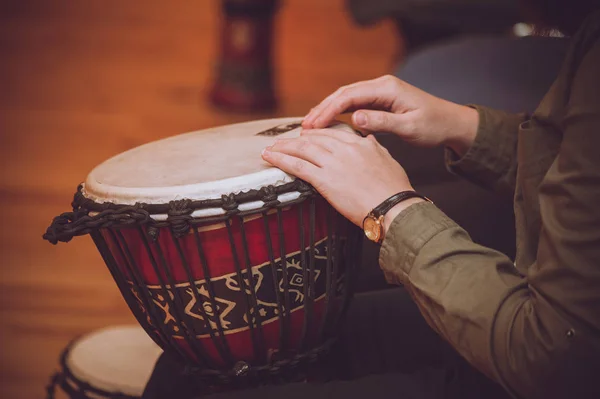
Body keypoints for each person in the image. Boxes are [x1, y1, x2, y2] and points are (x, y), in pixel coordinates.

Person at [143, 2, 600, 398]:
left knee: (198, 383)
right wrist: (464, 126)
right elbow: (579, 169)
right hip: (539, 315)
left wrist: (393, 209)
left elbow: (555, 360)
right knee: (190, 368)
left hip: (540, 364)